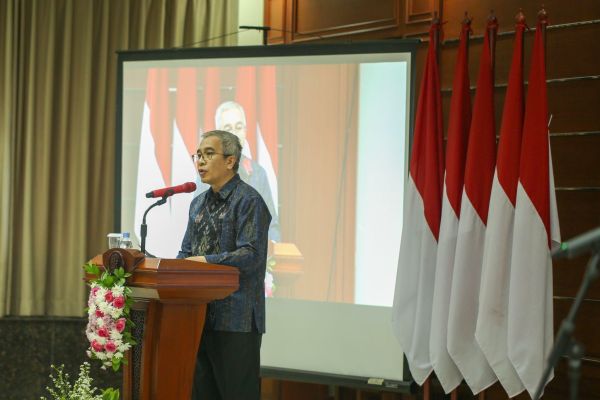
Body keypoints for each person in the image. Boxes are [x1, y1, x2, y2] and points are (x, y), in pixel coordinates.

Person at [178, 130, 271, 400]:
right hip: (198, 317)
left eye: (209, 154)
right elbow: (186, 254)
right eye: (198, 155)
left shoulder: (249, 200)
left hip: (237, 319)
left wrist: (206, 261)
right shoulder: (197, 204)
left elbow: (251, 255)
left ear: (230, 161)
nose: (201, 161)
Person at [215, 100, 281, 242]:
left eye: (239, 127)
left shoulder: (258, 174)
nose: (234, 134)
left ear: (245, 131)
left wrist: (271, 251)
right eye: (228, 128)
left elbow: (272, 226)